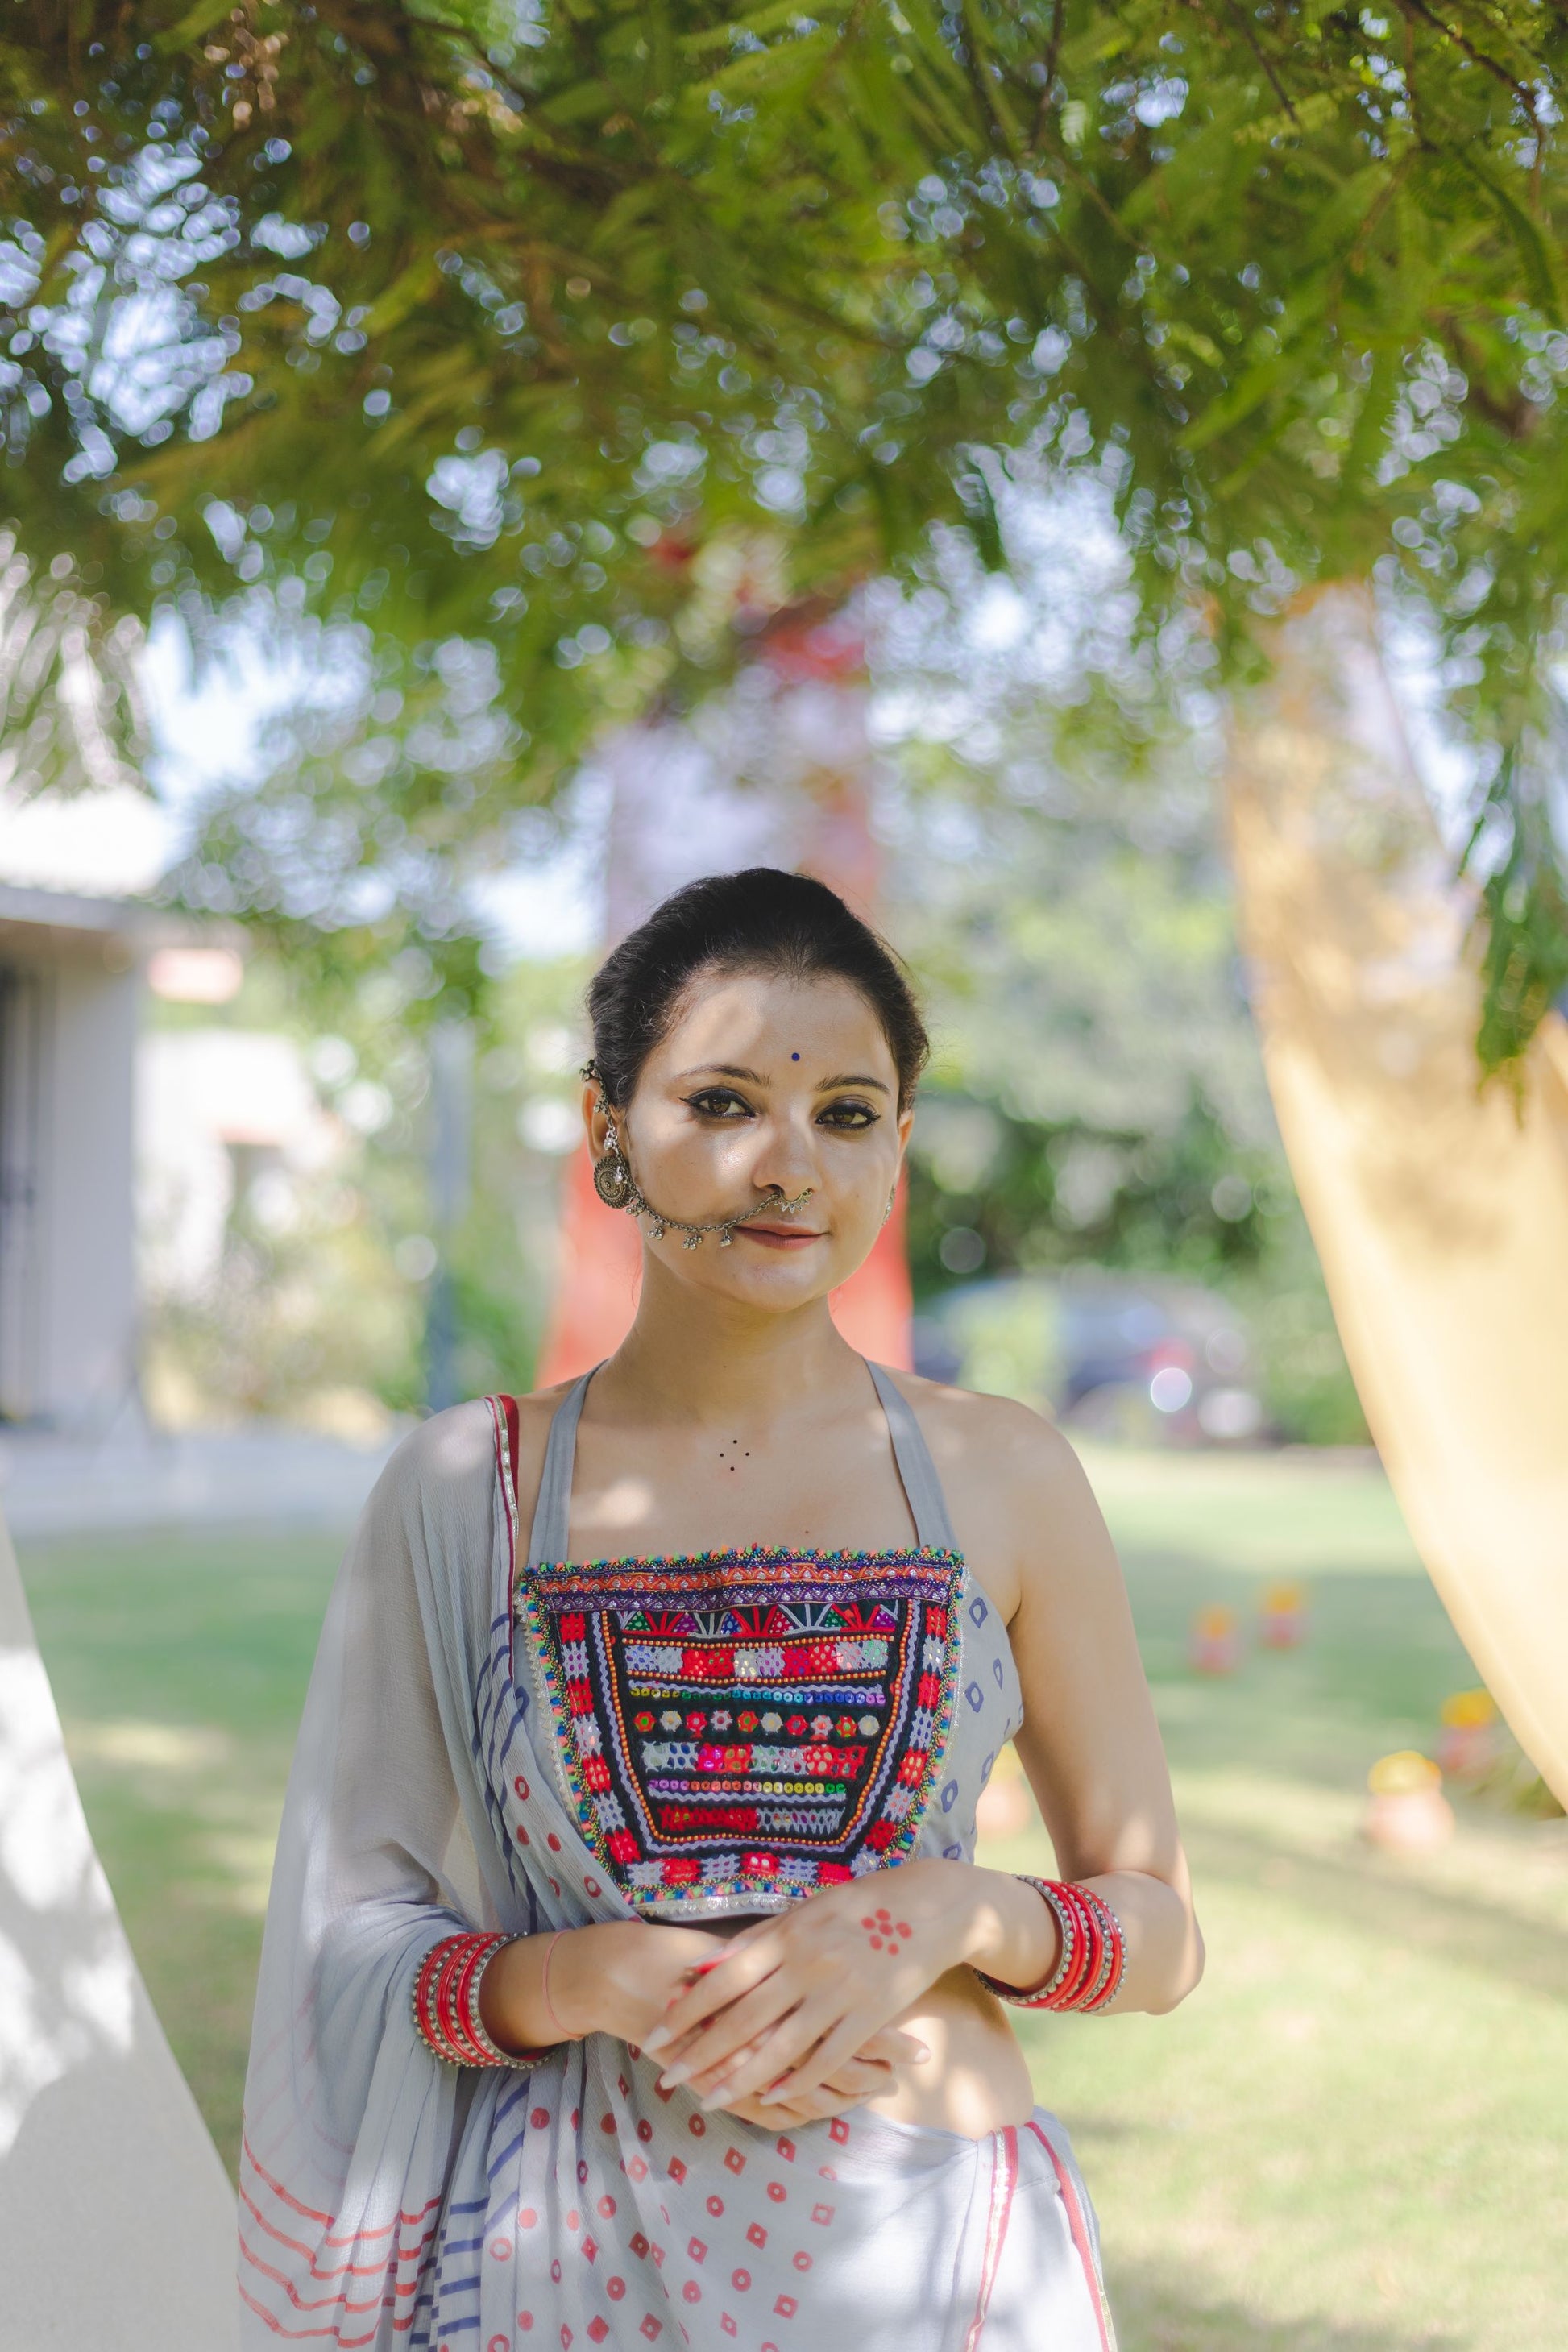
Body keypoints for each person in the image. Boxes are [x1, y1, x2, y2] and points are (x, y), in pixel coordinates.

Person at [239, 867, 1203, 2351]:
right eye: (722, 1103)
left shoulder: (1002, 1474)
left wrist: (956, 1911)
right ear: (606, 1130)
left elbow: (1154, 1935)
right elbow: (345, 1943)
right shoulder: (465, 1491)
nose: (788, 1169)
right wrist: (584, 1976)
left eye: (845, 1114)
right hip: (560, 2269)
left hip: (942, 2267)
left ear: (896, 1146)